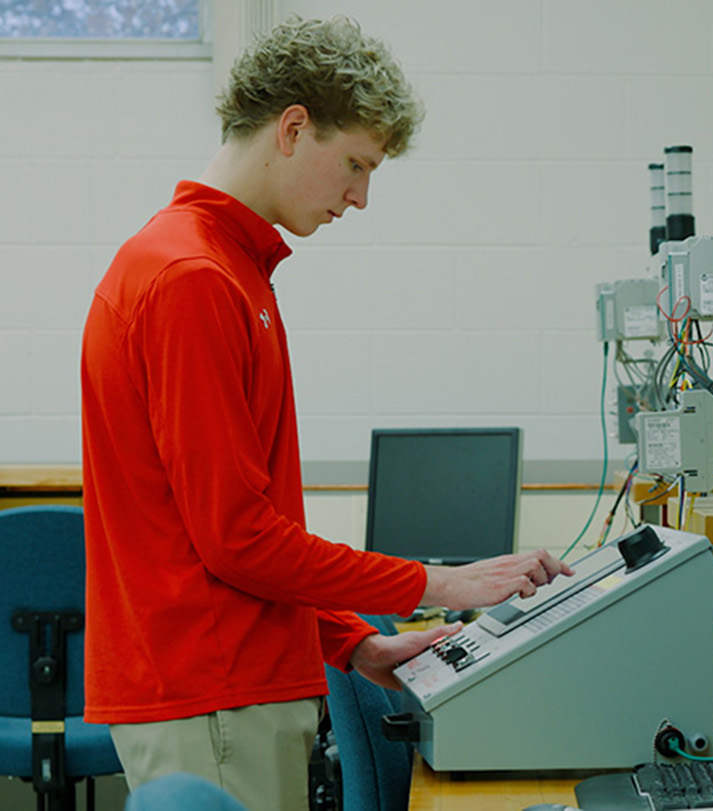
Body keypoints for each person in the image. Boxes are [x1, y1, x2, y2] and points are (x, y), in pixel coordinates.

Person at [79, 17, 569, 810]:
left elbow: (233, 531)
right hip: (215, 696)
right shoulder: (191, 279)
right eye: (355, 165)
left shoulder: (225, 269)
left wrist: (353, 640)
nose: (361, 197)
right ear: (294, 128)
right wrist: (441, 580)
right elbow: (237, 538)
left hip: (227, 682)